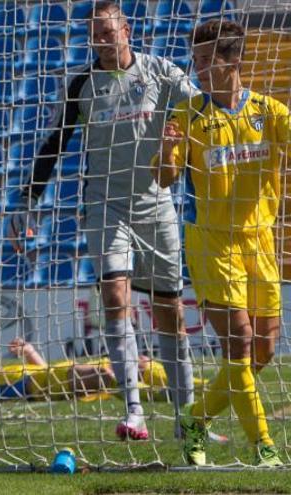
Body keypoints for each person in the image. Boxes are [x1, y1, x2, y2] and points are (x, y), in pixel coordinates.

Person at [9, 0, 199, 441]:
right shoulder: (82, 85)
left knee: (169, 310)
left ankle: (187, 417)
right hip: (105, 206)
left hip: (157, 205)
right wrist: (28, 201)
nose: (102, 40)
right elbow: (55, 143)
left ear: (126, 29)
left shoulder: (162, 74)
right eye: (94, 34)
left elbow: (204, 113)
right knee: (116, 296)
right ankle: (134, 410)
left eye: (108, 32)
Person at [153, 19, 288, 468]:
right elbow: (165, 178)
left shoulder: (270, 113)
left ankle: (196, 418)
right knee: (241, 344)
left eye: (209, 60)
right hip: (210, 243)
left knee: (264, 351)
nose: (199, 68)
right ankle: (264, 447)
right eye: (197, 59)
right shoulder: (187, 114)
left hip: (260, 241)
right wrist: (169, 149)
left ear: (234, 61)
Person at [0, 339, 189, 405]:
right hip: (35, 385)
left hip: (46, 376)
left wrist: (29, 352)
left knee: (114, 371)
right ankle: (131, 381)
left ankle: (153, 384)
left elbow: (43, 370)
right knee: (105, 374)